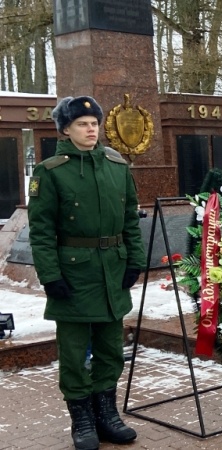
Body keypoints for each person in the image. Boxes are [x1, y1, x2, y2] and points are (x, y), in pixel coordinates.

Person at [28, 96, 144, 449]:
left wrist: (135, 260)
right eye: (82, 123)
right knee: (75, 352)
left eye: (94, 123)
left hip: (112, 270)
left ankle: (106, 414)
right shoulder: (50, 172)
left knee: (111, 348)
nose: (91, 129)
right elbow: (42, 231)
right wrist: (50, 276)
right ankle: (82, 419)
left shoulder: (116, 165)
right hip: (74, 274)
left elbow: (130, 220)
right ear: (65, 129)